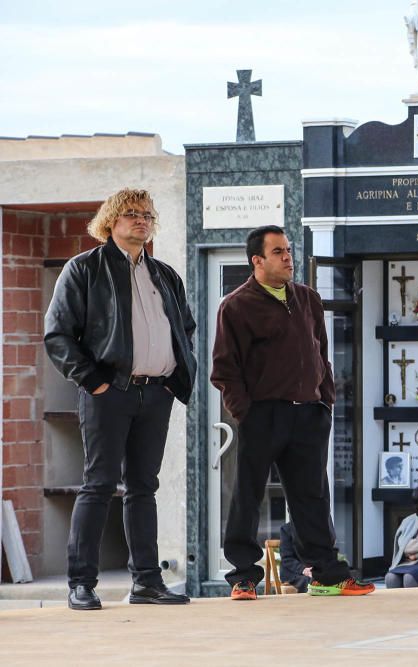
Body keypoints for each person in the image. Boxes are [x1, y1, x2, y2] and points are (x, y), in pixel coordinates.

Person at [44, 188, 196, 610]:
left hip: (156, 394)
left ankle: (146, 583)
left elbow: (186, 329)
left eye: (147, 214)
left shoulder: (164, 274)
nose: (141, 220)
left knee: (144, 487)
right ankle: (81, 583)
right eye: (131, 213)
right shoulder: (83, 269)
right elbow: (57, 336)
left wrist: (173, 383)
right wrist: (95, 382)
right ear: (110, 221)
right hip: (108, 394)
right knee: (98, 485)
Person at [211, 225, 374, 600]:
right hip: (262, 415)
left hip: (309, 415)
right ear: (257, 260)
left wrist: (324, 401)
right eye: (279, 252)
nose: (288, 258)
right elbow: (224, 370)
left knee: (312, 498)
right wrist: (245, 413)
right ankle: (243, 577)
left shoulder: (308, 298)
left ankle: (326, 575)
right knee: (247, 496)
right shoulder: (236, 306)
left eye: (289, 251)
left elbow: (321, 354)